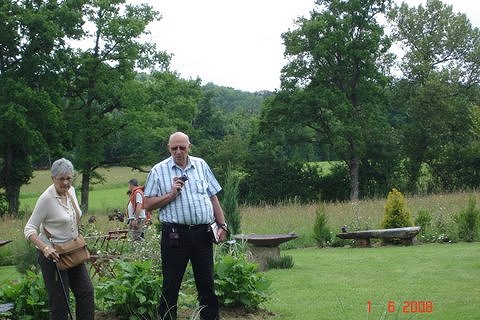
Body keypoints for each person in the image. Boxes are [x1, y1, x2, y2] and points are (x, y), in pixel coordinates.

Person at [144, 132, 228, 320]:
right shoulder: (159, 170)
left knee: (207, 284)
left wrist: (222, 225)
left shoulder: (201, 165)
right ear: (169, 148)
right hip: (175, 234)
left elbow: (213, 196)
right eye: (174, 148)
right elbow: (147, 204)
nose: (178, 152)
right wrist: (170, 195)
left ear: (189, 146)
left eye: (182, 147)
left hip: (203, 233)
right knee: (171, 285)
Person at [24, 158, 94, 320]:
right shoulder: (46, 199)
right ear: (52, 178)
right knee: (60, 303)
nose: (66, 182)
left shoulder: (71, 192)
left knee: (86, 292)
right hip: (53, 256)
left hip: (73, 251)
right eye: (61, 178)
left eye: (69, 178)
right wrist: (45, 248)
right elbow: (29, 229)